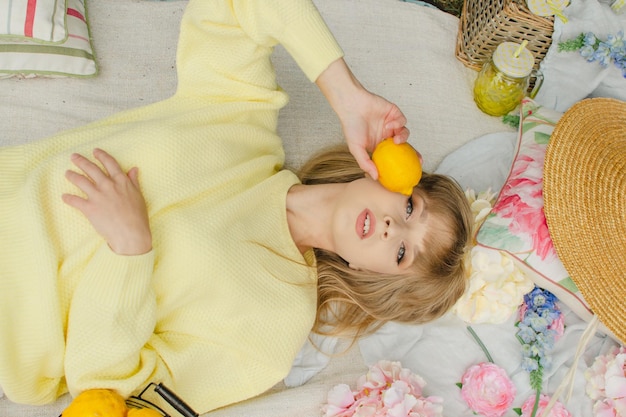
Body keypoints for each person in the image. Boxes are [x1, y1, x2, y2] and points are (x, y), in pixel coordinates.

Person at [0, 0, 473, 414]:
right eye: (412, 208)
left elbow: (113, 391)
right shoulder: (241, 120)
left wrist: (130, 249)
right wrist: (346, 94)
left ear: (369, 274)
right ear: (388, 174)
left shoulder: (274, 327)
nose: (394, 228)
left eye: (402, 254)